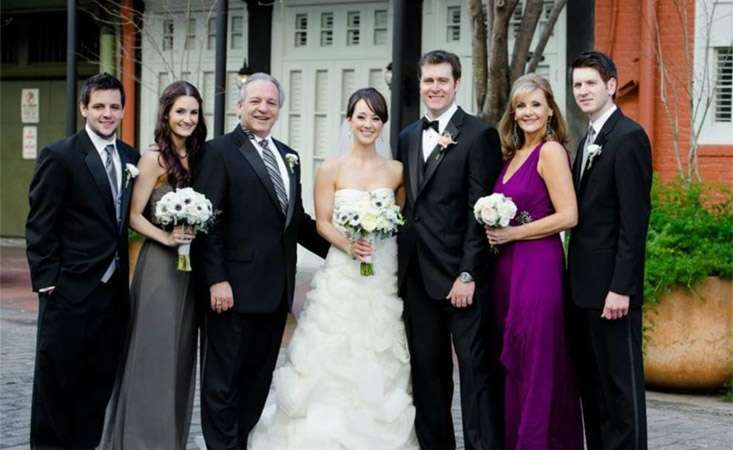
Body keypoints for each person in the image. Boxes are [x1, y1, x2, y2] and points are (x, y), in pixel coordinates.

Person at [249, 87, 418, 449]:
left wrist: (379, 232)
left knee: (379, 349)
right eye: (361, 116)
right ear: (349, 120)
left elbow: (399, 217)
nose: (368, 124)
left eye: (375, 118)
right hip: (343, 270)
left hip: (381, 273)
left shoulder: (397, 171)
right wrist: (347, 244)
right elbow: (322, 221)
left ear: (383, 124)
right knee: (332, 351)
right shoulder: (330, 169)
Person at [194, 72, 330, 449]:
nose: (263, 108)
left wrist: (343, 251)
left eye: (271, 102)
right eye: (255, 101)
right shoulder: (218, 152)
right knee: (223, 384)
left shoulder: (290, 156)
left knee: (256, 383)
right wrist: (216, 279)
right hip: (232, 293)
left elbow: (296, 221)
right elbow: (210, 221)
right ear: (240, 105)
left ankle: (240, 442)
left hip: (275, 294)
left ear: (279, 109)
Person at [395, 49, 504, 450]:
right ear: (420, 84)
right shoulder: (407, 136)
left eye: (443, 80)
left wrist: (468, 273)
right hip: (419, 279)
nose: (435, 87)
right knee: (427, 376)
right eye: (428, 80)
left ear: (457, 83)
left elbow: (482, 211)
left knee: (476, 376)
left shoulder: (479, 134)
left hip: (462, 280)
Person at [25, 72, 140, 449]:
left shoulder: (130, 158)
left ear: (123, 110)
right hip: (68, 293)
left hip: (112, 299)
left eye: (114, 107)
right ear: (83, 108)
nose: (107, 114)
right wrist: (49, 283)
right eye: (100, 106)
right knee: (56, 393)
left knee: (95, 392)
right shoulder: (60, 156)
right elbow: (41, 224)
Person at [100, 80, 207, 449]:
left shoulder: (201, 157)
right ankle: (139, 440)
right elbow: (133, 215)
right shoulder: (153, 158)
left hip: (189, 271)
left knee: (180, 355)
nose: (187, 118)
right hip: (159, 267)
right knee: (153, 352)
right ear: (166, 114)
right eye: (180, 111)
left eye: (193, 112)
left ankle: (169, 439)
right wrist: (165, 238)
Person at [485, 74, 583, 450]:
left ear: (550, 110)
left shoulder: (550, 151)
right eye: (521, 105)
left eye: (536, 105)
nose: (528, 112)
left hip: (538, 266)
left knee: (539, 359)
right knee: (517, 361)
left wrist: (512, 234)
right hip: (507, 270)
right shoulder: (513, 154)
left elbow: (568, 215)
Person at [568, 51, 652, 450]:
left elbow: (633, 224)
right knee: (594, 392)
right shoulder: (587, 140)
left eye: (590, 83)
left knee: (621, 395)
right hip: (583, 290)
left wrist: (622, 287)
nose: (582, 91)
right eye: (577, 84)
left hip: (613, 294)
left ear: (612, 85)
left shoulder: (629, 137)